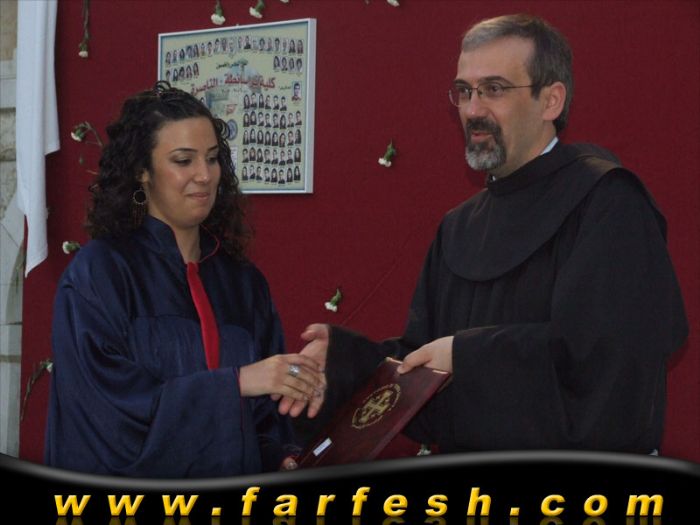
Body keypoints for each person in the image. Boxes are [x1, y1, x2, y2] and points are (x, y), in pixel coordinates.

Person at [288, 14, 688, 456]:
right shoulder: (459, 226)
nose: (473, 110)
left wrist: (465, 355)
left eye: (494, 89)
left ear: (551, 100)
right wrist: (342, 361)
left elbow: (609, 361)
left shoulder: (607, 203)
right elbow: (423, 361)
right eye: (464, 91)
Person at [45, 81, 325, 478]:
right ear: (142, 171)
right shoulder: (99, 274)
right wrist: (235, 384)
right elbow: (105, 415)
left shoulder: (243, 284)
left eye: (212, 158)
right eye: (183, 160)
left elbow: (264, 420)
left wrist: (279, 456)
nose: (205, 175)